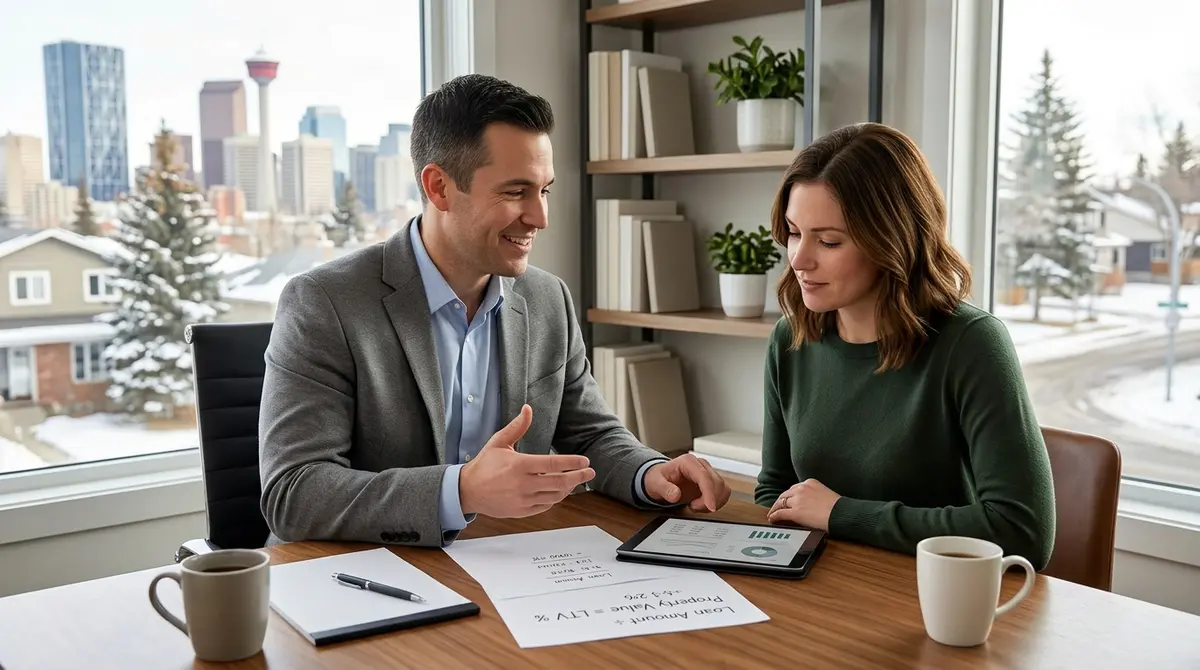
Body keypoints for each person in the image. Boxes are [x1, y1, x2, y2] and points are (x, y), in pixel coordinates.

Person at [258, 74, 730, 548]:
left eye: (544, 190)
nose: (540, 217)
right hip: (375, 580)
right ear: (439, 187)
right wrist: (460, 490)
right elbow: (293, 492)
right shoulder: (325, 302)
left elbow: (590, 437)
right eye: (515, 192)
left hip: (510, 568)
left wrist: (650, 474)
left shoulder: (548, 300)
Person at [756, 122, 1056, 570]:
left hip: (939, 597)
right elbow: (776, 490)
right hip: (830, 591)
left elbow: (1022, 530)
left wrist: (842, 514)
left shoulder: (971, 343)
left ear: (891, 239)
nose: (798, 260)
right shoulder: (790, 338)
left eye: (829, 240)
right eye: (795, 233)